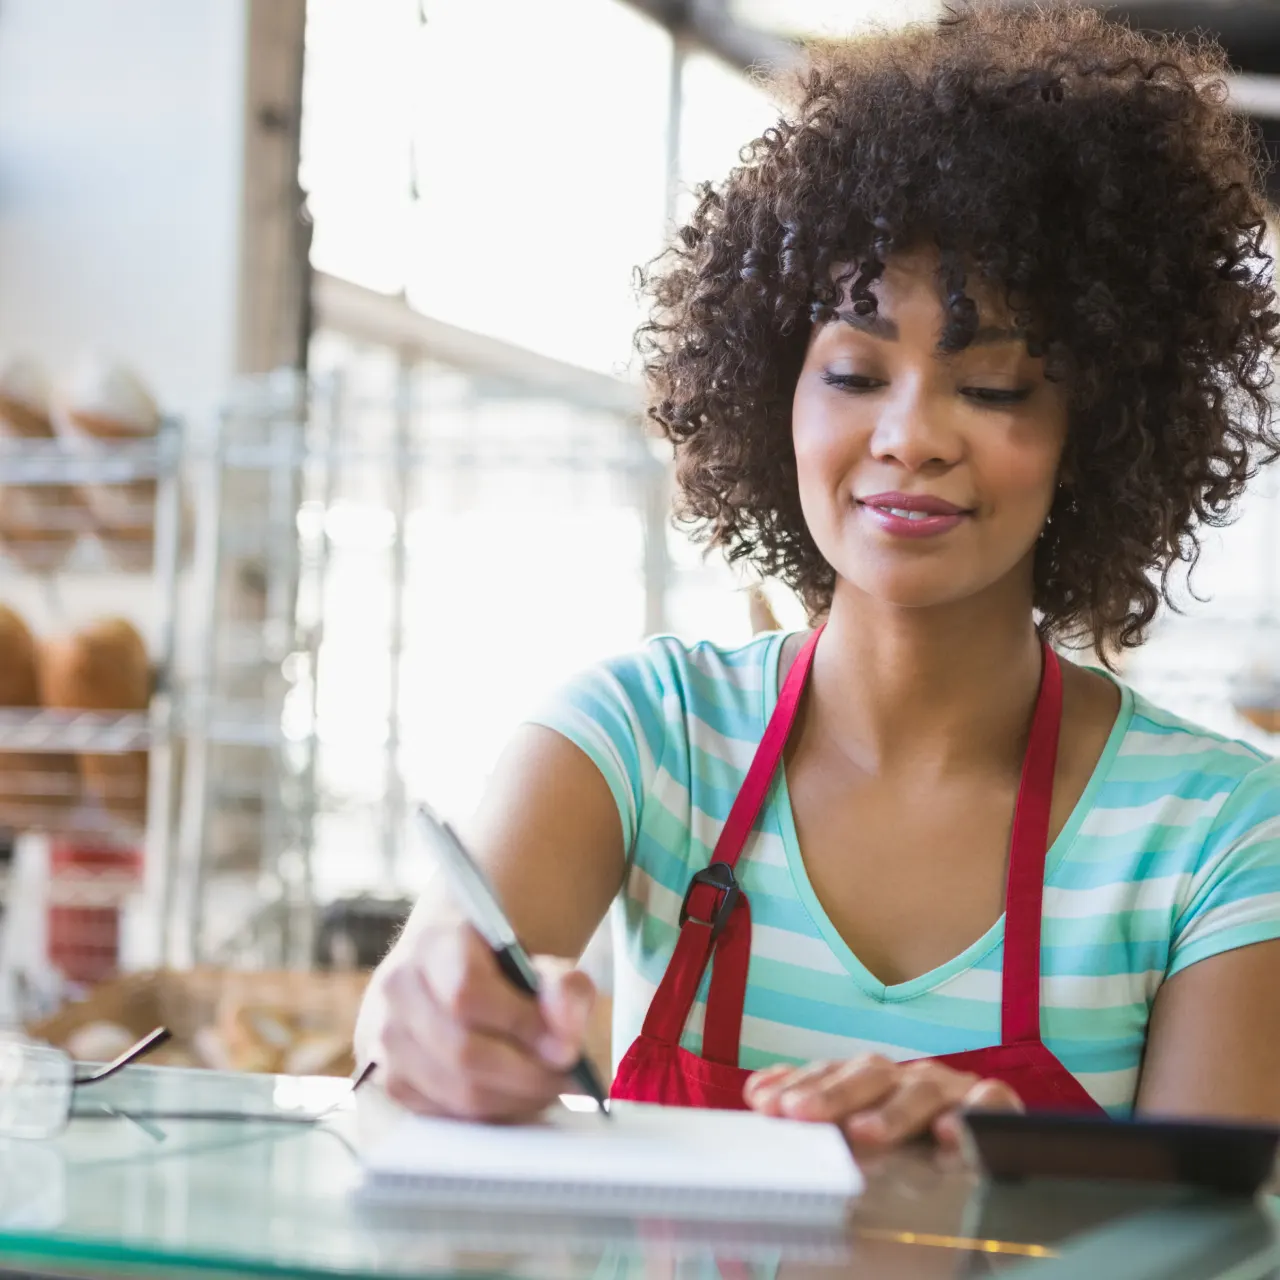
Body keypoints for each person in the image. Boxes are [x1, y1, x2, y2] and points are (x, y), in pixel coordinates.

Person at [356, 3, 1280, 1150]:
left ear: (1092, 430)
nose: (909, 435)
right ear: (770, 397)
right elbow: (408, 1045)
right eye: (851, 371)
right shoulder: (641, 739)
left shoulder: (1216, 835)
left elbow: (1228, 1246)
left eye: (989, 389)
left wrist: (1022, 1179)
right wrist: (429, 1026)